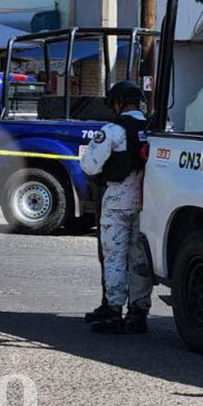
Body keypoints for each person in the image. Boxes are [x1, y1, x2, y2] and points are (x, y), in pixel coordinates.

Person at [81, 80, 152, 334]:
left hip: (117, 203)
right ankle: (139, 314)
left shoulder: (112, 130)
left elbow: (89, 166)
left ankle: (113, 311)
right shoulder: (154, 129)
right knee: (140, 259)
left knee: (114, 258)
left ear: (118, 103)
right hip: (148, 205)